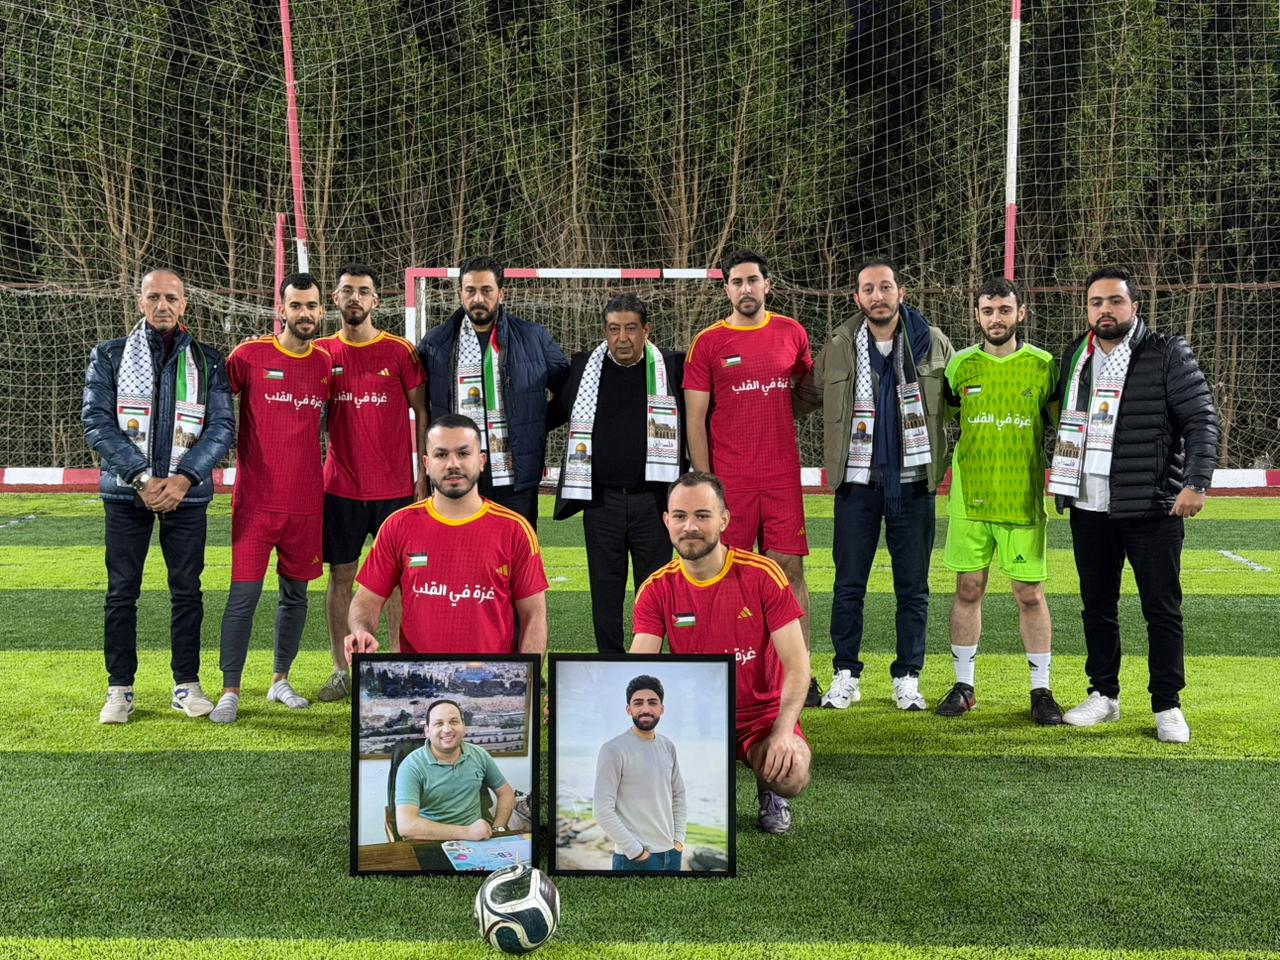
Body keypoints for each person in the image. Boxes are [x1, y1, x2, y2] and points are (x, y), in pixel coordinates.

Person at [1049, 266, 1219, 743]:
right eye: (1096, 302)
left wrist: (1196, 482)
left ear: (1135, 307)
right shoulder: (1075, 356)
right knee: (1096, 606)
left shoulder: (1167, 353)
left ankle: (1167, 704)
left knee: (1161, 610)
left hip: (1150, 505)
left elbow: (1201, 420)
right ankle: (1104, 694)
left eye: (1115, 301)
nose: (1105, 310)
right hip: (1088, 504)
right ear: (1087, 310)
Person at [795, 257, 954, 711]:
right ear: (857, 297)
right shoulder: (839, 345)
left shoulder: (933, 343)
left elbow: (961, 397)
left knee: (913, 588)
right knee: (848, 585)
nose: (877, 296)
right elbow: (805, 396)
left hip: (913, 483)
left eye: (885, 287)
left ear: (901, 293)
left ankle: (908, 676)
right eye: (868, 289)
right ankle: (846, 673)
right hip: (857, 483)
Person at [82, 268, 234, 723]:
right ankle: (120, 689)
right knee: (121, 592)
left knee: (187, 592)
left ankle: (187, 685)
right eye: (154, 297)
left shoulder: (209, 360)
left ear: (184, 304)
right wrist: (140, 477)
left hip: (186, 495)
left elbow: (222, 427)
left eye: (171, 298)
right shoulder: (109, 355)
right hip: (126, 493)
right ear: (140, 302)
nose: (162, 305)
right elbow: (96, 421)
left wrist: (185, 478)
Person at [632, 472, 812, 835]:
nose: (690, 527)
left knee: (790, 773)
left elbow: (797, 666)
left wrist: (782, 732)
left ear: (724, 520)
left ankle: (770, 790)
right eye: (680, 516)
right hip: (692, 718)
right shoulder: (656, 588)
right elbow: (637, 668)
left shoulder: (764, 575)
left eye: (702, 515)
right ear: (666, 521)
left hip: (759, 716)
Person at [683, 251, 819, 706]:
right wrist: (706, 485)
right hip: (731, 483)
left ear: (767, 285)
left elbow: (807, 390)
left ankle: (802, 676)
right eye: (737, 282)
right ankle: (730, 673)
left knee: (790, 574)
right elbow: (695, 419)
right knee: (728, 577)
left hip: (781, 478)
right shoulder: (708, 343)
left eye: (753, 280)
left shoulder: (792, 333)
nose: (746, 288)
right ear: (726, 289)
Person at [936, 278, 1063, 724]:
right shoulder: (960, 366)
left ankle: (1041, 690)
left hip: (1021, 500)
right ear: (977, 315)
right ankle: (964, 685)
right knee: (968, 589)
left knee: (1030, 593)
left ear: (1020, 313)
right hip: (970, 499)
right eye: (988, 311)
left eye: (1005, 310)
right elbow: (937, 418)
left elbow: (1064, 426)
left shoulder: (1044, 367)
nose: (996, 318)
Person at [209, 273, 333, 724]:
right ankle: (230, 690)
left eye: (312, 305)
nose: (305, 313)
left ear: (322, 311)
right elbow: (211, 403)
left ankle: (280, 679)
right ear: (281, 309)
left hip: (306, 504)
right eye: (296, 305)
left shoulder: (325, 364)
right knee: (243, 597)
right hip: (256, 504)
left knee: (295, 596)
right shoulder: (249, 356)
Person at [343, 414, 549, 661]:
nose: (453, 464)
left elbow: (534, 615)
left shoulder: (515, 530)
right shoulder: (398, 526)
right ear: (426, 464)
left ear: (482, 461)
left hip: (491, 678)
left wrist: (527, 677)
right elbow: (366, 601)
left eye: (463, 453)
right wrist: (361, 630)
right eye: (441, 455)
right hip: (420, 678)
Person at [315, 264, 428, 704]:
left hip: (396, 488)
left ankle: (398, 666)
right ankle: (342, 670)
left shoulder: (400, 352)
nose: (355, 298)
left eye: (363, 291)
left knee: (398, 580)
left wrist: (422, 476)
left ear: (376, 301)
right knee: (341, 575)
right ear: (335, 299)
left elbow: (422, 413)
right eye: (347, 290)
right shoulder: (322, 352)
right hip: (340, 487)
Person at [553, 294, 683, 653]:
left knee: (655, 592)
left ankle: (650, 665)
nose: (622, 338)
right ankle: (610, 663)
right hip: (602, 504)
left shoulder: (672, 367)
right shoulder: (584, 369)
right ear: (604, 332)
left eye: (630, 329)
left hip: (655, 503)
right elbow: (554, 412)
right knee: (605, 593)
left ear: (647, 330)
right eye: (614, 329)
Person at [418, 255, 570, 531]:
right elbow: (420, 407)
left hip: (514, 474)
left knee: (516, 551)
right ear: (460, 293)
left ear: (502, 294)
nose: (478, 298)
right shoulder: (435, 343)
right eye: (470, 290)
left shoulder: (533, 337)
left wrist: (535, 423)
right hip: (457, 472)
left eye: (486, 290)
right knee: (459, 551)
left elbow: (568, 394)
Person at [593, 674, 687, 872]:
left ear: (662, 709)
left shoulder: (668, 746)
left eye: (652, 702)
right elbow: (602, 810)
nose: (645, 709)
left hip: (672, 854)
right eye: (638, 703)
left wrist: (678, 840)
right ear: (629, 709)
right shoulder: (613, 749)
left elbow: (678, 795)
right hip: (634, 859)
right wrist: (637, 852)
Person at [394, 699, 516, 841]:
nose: (447, 729)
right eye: (439, 723)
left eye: (454, 722)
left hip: (477, 841)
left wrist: (498, 829)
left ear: (463, 727)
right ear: (427, 731)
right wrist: (467, 833)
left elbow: (506, 793)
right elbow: (406, 826)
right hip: (430, 840)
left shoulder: (479, 755)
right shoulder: (411, 766)